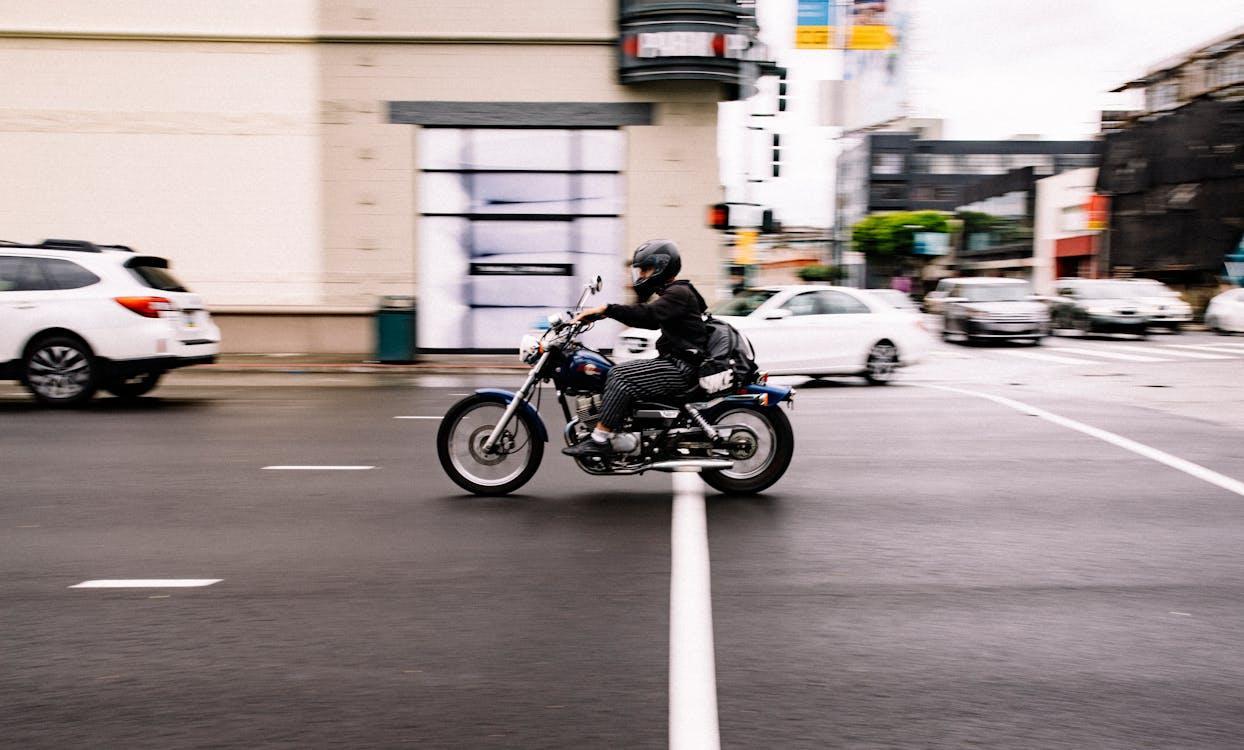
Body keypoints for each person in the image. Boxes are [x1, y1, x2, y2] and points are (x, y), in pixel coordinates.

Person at [563, 239, 708, 457]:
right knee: (618, 372)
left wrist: (606, 309)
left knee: (620, 375)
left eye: (645, 270)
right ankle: (620, 427)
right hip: (677, 362)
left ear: (661, 267)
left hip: (682, 368)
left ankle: (601, 439)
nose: (640, 276)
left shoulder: (679, 293)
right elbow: (649, 320)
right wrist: (600, 315)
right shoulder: (675, 294)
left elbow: (646, 314)